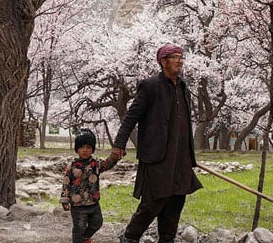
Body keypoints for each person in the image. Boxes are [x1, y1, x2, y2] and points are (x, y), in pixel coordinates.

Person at [111, 43, 202, 243]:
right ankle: (129, 237)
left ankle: (167, 239)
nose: (180, 61)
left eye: (181, 57)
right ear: (163, 61)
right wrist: (119, 144)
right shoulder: (150, 86)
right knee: (153, 202)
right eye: (175, 57)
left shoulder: (184, 88)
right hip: (157, 157)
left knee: (176, 201)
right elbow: (131, 117)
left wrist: (188, 153)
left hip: (181, 158)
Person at [60, 128, 119, 243]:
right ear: (77, 149)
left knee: (98, 222)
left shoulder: (96, 164)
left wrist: (114, 158)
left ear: (92, 149)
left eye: (88, 147)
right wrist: (64, 200)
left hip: (93, 203)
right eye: (82, 147)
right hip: (78, 205)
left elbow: (107, 164)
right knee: (79, 228)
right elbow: (66, 183)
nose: (85, 150)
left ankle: (85, 238)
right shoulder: (71, 166)